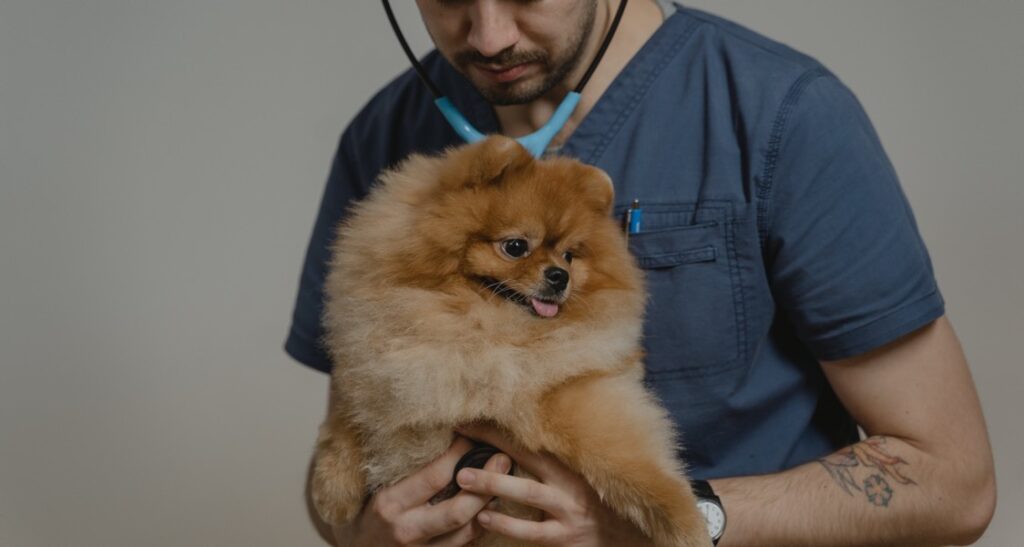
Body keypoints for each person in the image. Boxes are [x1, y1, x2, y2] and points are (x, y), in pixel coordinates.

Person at [285, 1, 996, 545]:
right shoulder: (384, 139)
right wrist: (366, 532)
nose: (490, 34)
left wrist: (675, 521)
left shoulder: (784, 115)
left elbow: (954, 480)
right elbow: (346, 465)